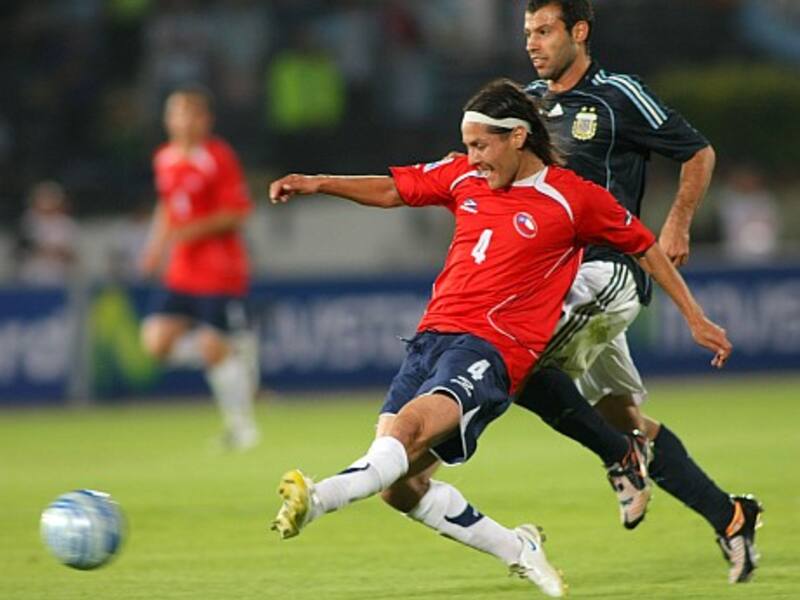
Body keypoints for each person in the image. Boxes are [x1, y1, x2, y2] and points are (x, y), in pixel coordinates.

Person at [267, 78, 731, 597]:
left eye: (480, 146)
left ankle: (319, 497)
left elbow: (645, 247)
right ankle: (518, 548)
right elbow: (395, 189)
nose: (472, 158)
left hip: (493, 349)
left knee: (406, 434)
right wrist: (317, 181)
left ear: (517, 137)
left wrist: (694, 316)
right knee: (400, 488)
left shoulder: (572, 197)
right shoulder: (465, 177)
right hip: (430, 339)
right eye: (467, 147)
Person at [516, 0, 762, 584]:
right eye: (528, 32)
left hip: (601, 274)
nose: (533, 43)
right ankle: (731, 517)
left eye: (545, 31)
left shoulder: (618, 93)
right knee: (626, 422)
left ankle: (617, 460)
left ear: (579, 32)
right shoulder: (527, 102)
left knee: (510, 360)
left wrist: (677, 223)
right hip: (553, 280)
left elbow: (697, 151)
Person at [138, 86, 260, 451]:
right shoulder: (163, 158)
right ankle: (231, 352)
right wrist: (155, 248)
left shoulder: (218, 157)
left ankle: (242, 428)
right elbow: (168, 206)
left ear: (204, 119)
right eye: (174, 113)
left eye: (188, 113)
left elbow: (237, 211)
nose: (180, 120)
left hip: (219, 270)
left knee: (210, 345)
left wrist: (191, 229)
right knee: (155, 343)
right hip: (181, 271)